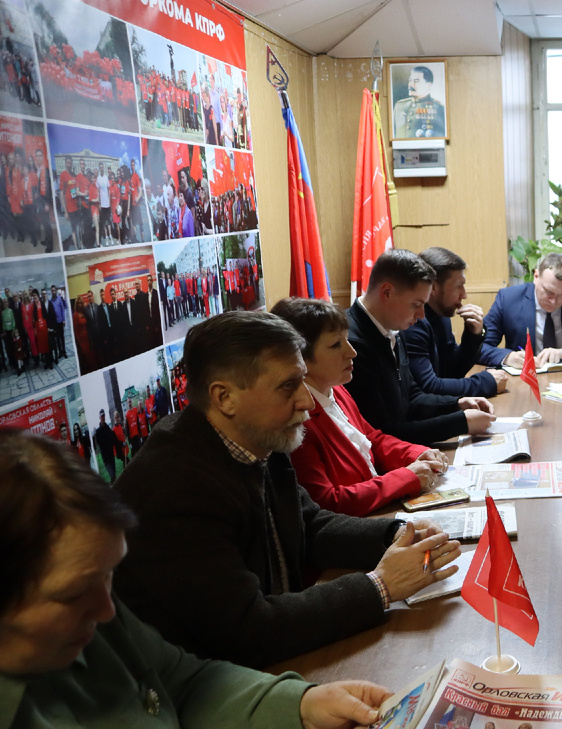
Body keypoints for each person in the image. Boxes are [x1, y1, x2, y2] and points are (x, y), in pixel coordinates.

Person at [0, 428, 398, 729]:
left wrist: (301, 706)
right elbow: (251, 627)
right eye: (72, 595)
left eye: (108, 575)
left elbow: (183, 684)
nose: (107, 610)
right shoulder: (177, 477)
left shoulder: (94, 613)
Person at [112, 311, 462, 668]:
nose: (307, 401)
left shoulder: (259, 437)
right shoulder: (177, 487)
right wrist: (380, 586)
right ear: (224, 397)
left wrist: (397, 534)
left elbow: (309, 525)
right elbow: (248, 630)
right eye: (288, 386)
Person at [273, 297, 449, 516]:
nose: (352, 352)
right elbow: (326, 503)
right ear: (300, 358)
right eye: (336, 345)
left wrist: (416, 453)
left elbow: (372, 439)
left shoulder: (336, 389)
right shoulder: (297, 419)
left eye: (347, 340)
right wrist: (406, 478)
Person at [346, 248, 495, 446]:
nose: (422, 315)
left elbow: (413, 398)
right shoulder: (351, 345)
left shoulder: (393, 327)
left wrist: (457, 404)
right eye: (416, 304)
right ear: (387, 292)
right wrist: (460, 423)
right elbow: (383, 433)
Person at [403, 246, 508, 397]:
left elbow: (452, 371)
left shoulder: (441, 314)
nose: (464, 295)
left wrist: (473, 335)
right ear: (433, 288)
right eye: (459, 286)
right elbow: (428, 387)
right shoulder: (413, 322)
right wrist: (486, 383)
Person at [393, 66, 446, 138]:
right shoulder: (399, 106)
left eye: (416, 81)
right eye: (410, 80)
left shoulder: (439, 108)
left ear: (428, 85)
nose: (410, 85)